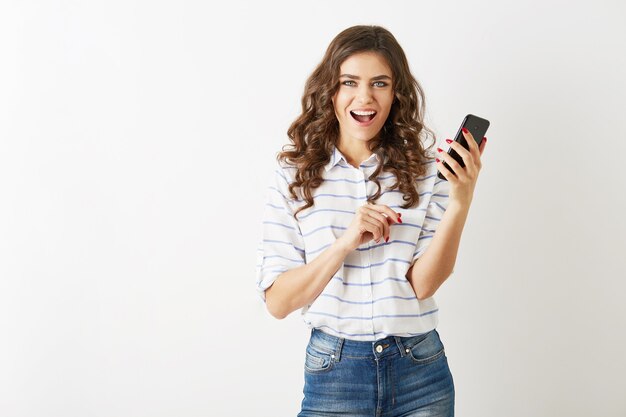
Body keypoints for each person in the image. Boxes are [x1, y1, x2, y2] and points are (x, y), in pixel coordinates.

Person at [255, 25, 486, 417]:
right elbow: (278, 302)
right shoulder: (294, 176)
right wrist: (345, 242)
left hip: (420, 373)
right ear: (330, 90)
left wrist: (460, 203)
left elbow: (424, 283)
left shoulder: (427, 172)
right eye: (350, 82)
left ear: (397, 94)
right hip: (334, 374)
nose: (365, 98)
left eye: (380, 83)